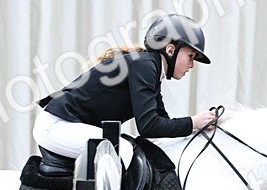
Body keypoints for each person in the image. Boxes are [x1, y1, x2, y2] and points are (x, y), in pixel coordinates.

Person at [33, 14, 217, 168]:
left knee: (125, 148)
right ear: (170, 50)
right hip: (57, 126)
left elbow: (161, 124)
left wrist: (198, 127)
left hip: (66, 125)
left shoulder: (150, 67)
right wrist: (193, 122)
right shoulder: (145, 65)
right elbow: (148, 126)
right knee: (123, 150)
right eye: (191, 56)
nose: (192, 65)